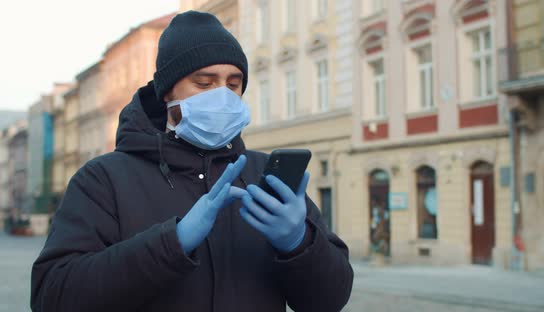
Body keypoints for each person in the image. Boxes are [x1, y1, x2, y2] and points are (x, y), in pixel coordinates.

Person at [31, 11, 353, 312]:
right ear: (168, 91)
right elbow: (53, 294)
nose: (222, 95)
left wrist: (300, 244)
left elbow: (330, 299)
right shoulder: (103, 180)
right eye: (204, 82)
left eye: (233, 83)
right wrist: (172, 243)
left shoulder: (263, 176)